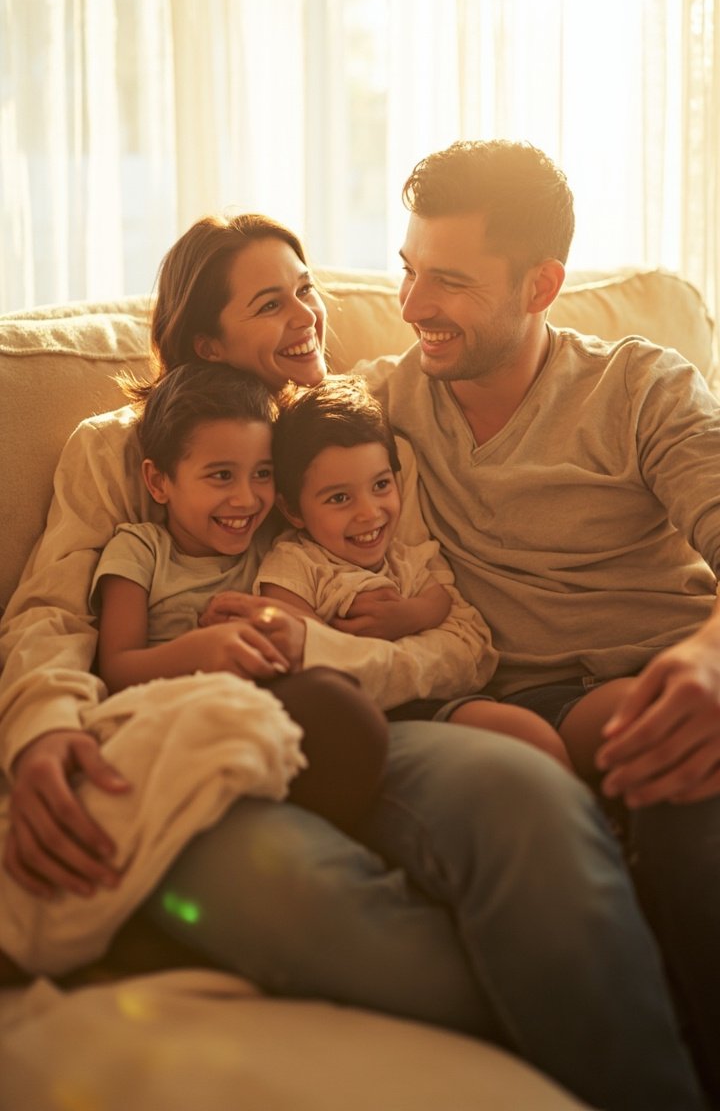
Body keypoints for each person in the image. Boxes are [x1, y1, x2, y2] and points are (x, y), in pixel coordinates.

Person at [0, 211, 708, 1110]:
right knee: (296, 898)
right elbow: (51, 616)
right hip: (194, 727)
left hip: (376, 721)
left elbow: (456, 634)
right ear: (207, 339)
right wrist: (41, 729)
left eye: (307, 291)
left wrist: (319, 648)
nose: (307, 317)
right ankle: (588, 1007)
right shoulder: (119, 448)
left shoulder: (366, 438)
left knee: (524, 796)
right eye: (270, 304)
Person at [357, 137, 720, 1099]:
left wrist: (712, 662)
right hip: (530, 707)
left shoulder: (641, 387)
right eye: (406, 270)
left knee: (689, 789)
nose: (411, 306)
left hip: (675, 667)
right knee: (674, 786)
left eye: (447, 281)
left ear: (541, 284)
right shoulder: (379, 408)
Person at [93, 360, 388, 831]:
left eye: (263, 474)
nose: (248, 499)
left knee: (340, 706)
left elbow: (315, 633)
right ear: (158, 482)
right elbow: (116, 666)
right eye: (221, 476)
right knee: (337, 706)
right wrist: (201, 652)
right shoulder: (141, 549)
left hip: (274, 713)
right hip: (180, 715)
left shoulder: (277, 545)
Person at [258, 373, 569, 770]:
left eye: (381, 485)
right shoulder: (296, 563)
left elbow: (462, 626)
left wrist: (410, 615)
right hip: (357, 723)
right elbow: (294, 646)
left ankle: (599, 822)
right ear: (292, 510)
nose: (370, 512)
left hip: (438, 704)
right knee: (521, 745)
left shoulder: (407, 555)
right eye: (339, 498)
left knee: (531, 735)